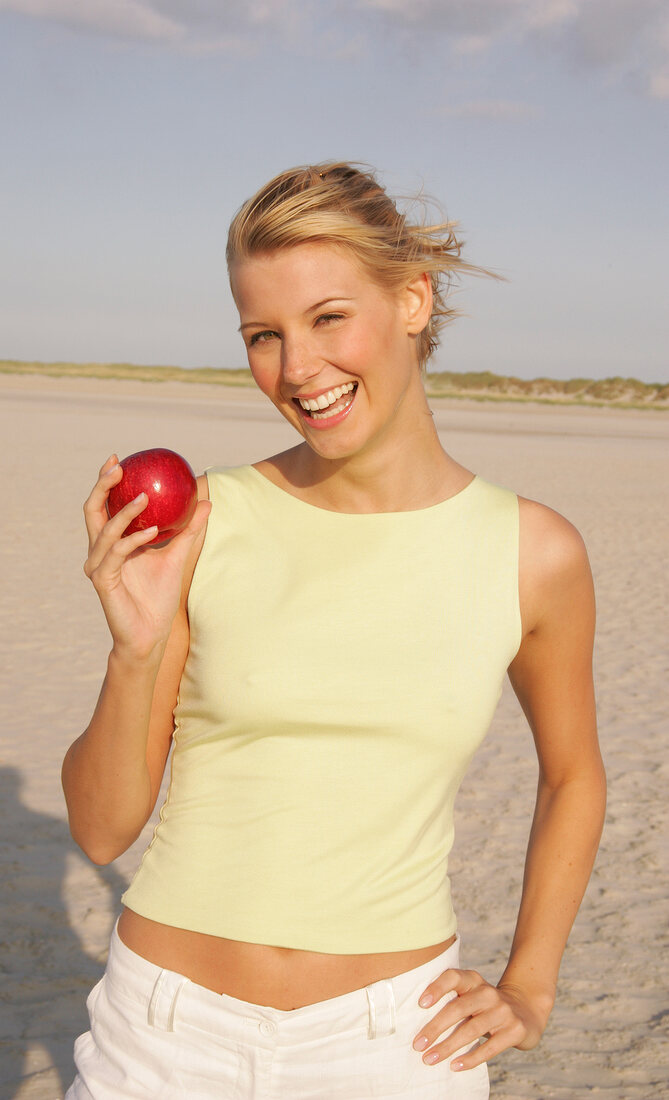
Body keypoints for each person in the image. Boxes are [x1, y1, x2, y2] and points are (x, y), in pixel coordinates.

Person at [62, 162, 606, 1099]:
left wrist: (529, 983)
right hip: (159, 1037)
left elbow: (573, 774)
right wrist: (135, 651)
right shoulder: (206, 517)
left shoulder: (532, 552)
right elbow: (103, 829)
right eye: (262, 335)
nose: (297, 369)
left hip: (394, 1046)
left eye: (326, 318)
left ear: (411, 300)